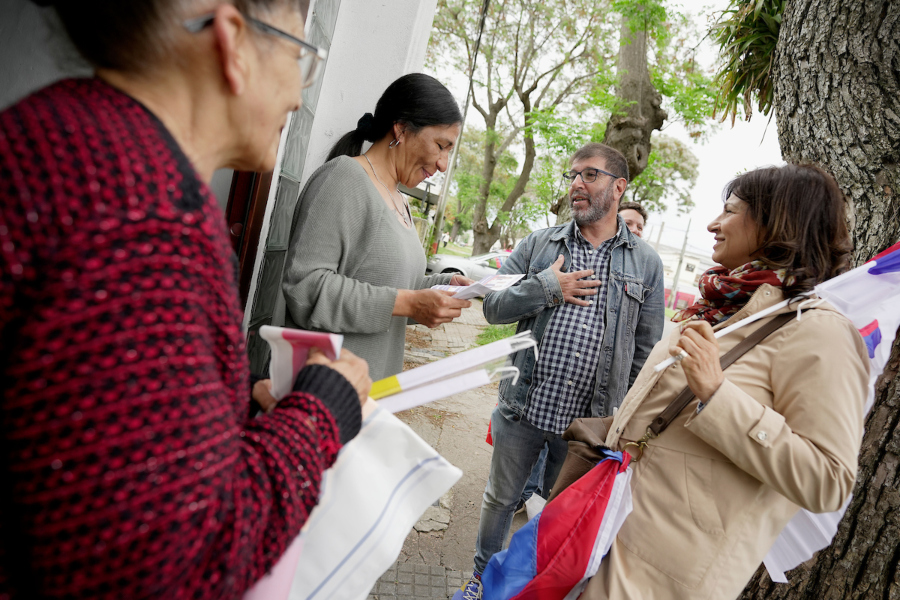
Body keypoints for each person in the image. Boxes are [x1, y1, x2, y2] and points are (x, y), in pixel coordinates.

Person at [0, 2, 371, 598]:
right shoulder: (140, 218)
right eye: (301, 57)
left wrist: (227, 423)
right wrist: (321, 413)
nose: (300, 100)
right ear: (234, 43)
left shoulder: (59, 134)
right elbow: (172, 567)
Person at [581, 164, 869, 599]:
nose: (714, 224)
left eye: (730, 211)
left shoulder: (819, 331)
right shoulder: (720, 308)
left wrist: (717, 396)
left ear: (777, 223)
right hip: (603, 538)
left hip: (661, 578)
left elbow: (828, 480)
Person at [459, 143, 665, 598]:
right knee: (500, 499)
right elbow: (492, 305)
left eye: (589, 175)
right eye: (572, 175)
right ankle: (480, 578)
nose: (576, 184)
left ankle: (530, 586)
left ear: (618, 187)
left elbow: (646, 350)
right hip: (525, 406)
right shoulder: (539, 245)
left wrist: (623, 421)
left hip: (587, 424)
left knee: (557, 514)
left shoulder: (646, 263)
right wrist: (547, 287)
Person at [282, 73, 473, 381]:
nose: (443, 164)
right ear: (401, 129)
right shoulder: (344, 178)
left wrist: (439, 289)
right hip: (322, 397)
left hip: (372, 396)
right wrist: (409, 302)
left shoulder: (400, 200)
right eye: (441, 145)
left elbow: (390, 289)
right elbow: (305, 287)